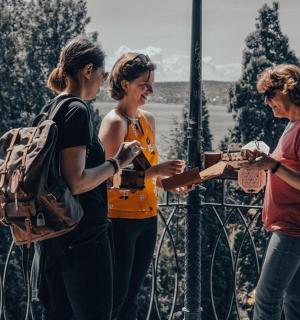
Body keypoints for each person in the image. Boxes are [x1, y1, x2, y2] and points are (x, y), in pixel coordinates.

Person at [40, 37, 141, 320]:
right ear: (87, 70)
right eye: (101, 73)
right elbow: (77, 181)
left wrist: (103, 174)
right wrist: (117, 163)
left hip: (53, 236)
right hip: (82, 238)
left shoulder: (50, 109)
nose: (102, 80)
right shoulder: (77, 111)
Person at [99, 52, 188, 320]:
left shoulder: (147, 120)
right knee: (116, 298)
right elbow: (106, 180)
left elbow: (148, 173)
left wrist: (169, 182)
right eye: (144, 84)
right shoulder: (114, 123)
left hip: (148, 219)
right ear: (125, 84)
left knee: (132, 297)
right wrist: (154, 173)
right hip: (119, 222)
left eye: (151, 84)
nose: (149, 90)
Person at [242, 64, 300, 320]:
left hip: (291, 230)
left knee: (267, 298)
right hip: (288, 227)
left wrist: (272, 165)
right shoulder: (292, 125)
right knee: (294, 301)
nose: (267, 103)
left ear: (287, 89)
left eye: (269, 95)